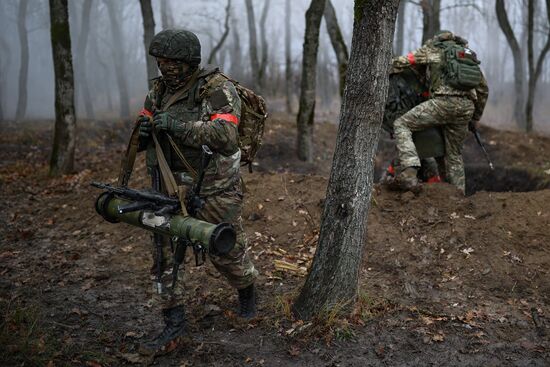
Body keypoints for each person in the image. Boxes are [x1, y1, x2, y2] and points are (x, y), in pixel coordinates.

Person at [135, 29, 258, 355]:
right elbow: (140, 134)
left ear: (189, 62)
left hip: (214, 189)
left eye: (172, 61)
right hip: (167, 190)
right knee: (163, 258)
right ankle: (173, 322)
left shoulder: (217, 89)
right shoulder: (157, 92)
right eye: (160, 61)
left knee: (226, 251)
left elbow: (226, 135)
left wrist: (177, 127)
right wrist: (144, 131)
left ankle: (247, 290)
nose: (165, 67)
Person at [391, 30, 489, 194]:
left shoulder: (434, 49)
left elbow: (405, 61)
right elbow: (483, 90)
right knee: (454, 155)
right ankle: (458, 197)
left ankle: (410, 169)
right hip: (466, 108)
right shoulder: (467, 56)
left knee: (401, 124)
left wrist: (386, 66)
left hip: (442, 103)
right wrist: (475, 117)